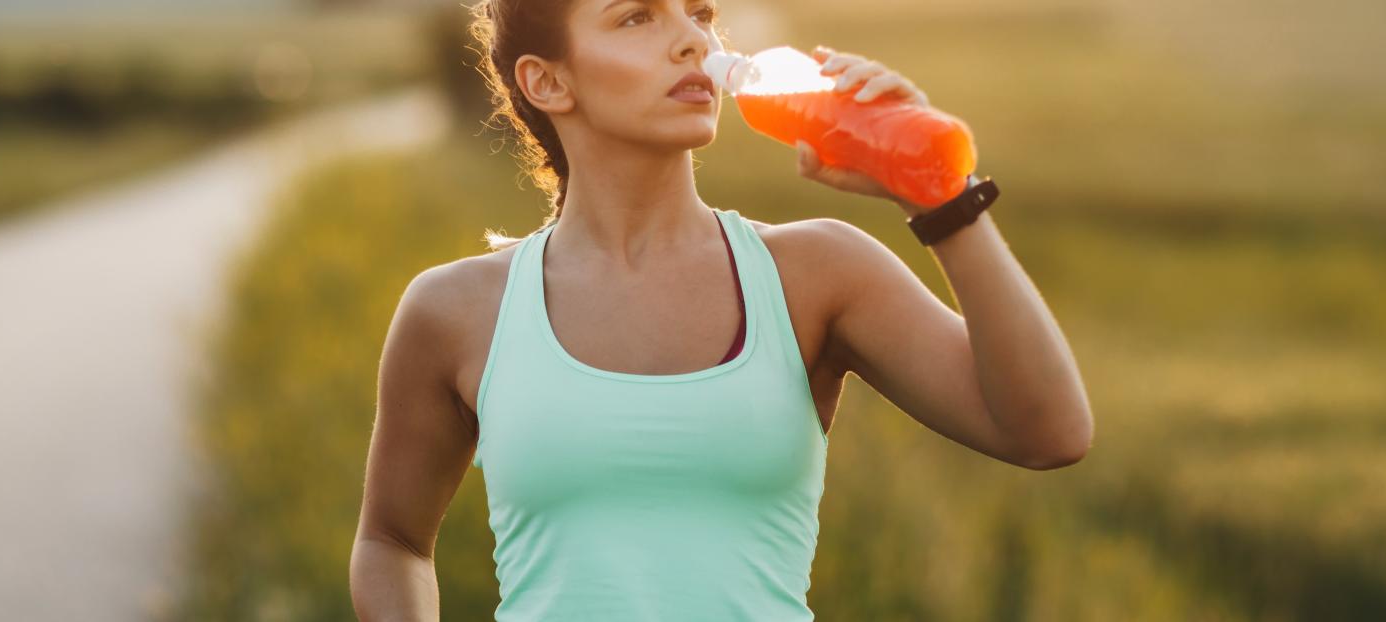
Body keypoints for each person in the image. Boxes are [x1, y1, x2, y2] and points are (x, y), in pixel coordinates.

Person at [351, 0, 1094, 619]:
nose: (692, 40)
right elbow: (392, 541)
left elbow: (1048, 432)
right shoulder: (455, 311)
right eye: (637, 17)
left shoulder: (814, 273)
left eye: (699, 13)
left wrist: (937, 195)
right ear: (547, 81)